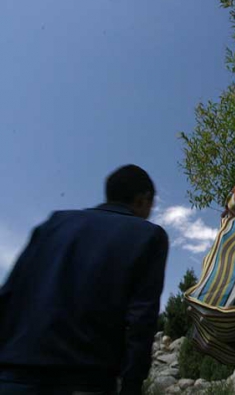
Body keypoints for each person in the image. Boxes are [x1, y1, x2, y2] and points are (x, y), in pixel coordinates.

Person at [0, 165, 169, 395]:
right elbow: (141, 320)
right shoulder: (149, 236)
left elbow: (8, 297)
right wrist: (132, 385)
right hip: (85, 380)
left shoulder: (53, 224)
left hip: (13, 375)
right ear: (143, 199)